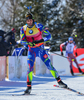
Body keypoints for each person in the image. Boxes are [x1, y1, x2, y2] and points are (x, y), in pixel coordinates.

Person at [20, 13, 67, 94]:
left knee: (49, 65)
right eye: (28, 21)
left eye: (30, 20)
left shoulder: (39, 26)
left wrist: (41, 40)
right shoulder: (23, 29)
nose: (29, 22)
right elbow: (22, 41)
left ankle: (60, 82)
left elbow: (49, 36)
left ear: (33, 19)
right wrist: (28, 43)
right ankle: (28, 88)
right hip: (31, 51)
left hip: (41, 50)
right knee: (29, 68)